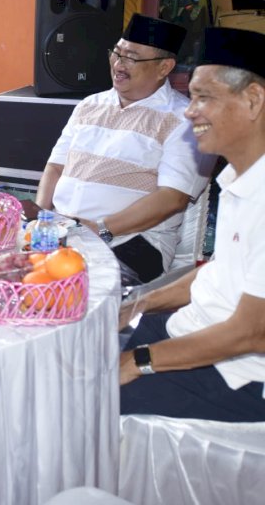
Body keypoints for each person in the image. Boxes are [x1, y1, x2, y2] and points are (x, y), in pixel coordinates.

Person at [119, 27, 265, 422]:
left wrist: (139, 361)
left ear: (253, 100)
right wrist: (137, 304)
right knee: (73, 355)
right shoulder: (239, 178)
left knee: (81, 402)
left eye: (204, 97)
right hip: (189, 331)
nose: (188, 110)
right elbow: (218, 275)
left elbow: (251, 333)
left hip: (237, 375)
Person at [36, 14, 215, 283]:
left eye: (131, 57)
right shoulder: (89, 105)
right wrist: (40, 218)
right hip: (64, 232)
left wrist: (101, 228)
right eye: (117, 53)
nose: (119, 64)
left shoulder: (183, 119)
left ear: (164, 67)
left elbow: (172, 197)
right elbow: (55, 166)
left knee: (65, 288)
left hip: (134, 242)